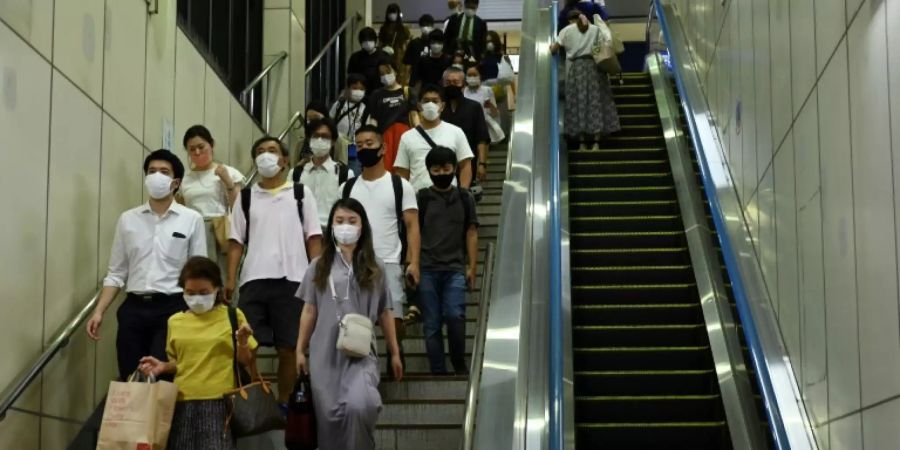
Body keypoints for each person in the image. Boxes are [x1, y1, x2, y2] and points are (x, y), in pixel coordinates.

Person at [86, 150, 207, 381]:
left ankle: (163, 419)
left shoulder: (192, 219)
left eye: (164, 172)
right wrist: (99, 311)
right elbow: (116, 273)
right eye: (151, 172)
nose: (156, 176)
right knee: (130, 378)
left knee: (162, 379)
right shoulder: (128, 219)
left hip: (172, 308)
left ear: (175, 182)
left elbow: (199, 272)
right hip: (133, 308)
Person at [295, 198, 403, 450]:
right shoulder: (317, 267)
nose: (346, 226)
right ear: (331, 226)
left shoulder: (376, 267)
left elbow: (386, 311)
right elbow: (309, 310)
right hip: (324, 353)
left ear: (362, 226)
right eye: (339, 221)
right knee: (329, 419)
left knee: (360, 403)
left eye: (352, 221)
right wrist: (300, 349)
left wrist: (395, 352)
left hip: (361, 352)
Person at [226, 136, 323, 407]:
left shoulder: (301, 193)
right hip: (253, 281)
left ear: (285, 160)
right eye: (259, 152)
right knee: (244, 346)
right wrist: (230, 279)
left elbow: (314, 238)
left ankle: (284, 405)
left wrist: (318, 278)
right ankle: (252, 402)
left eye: (271, 150)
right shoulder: (245, 197)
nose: (265, 155)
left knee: (289, 348)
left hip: (294, 280)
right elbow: (235, 241)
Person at [138, 257, 257, 449]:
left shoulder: (233, 315)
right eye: (190, 293)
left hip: (220, 401)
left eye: (204, 292)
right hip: (182, 401)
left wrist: (242, 342)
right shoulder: (175, 321)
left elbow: (245, 360)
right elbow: (182, 362)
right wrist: (163, 367)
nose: (197, 298)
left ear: (217, 289)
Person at [341, 125, 421, 329]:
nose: (364, 149)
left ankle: (396, 358)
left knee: (394, 325)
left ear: (383, 148)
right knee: (355, 329)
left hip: (390, 263)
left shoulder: (400, 185)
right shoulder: (347, 187)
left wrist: (414, 262)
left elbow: (412, 226)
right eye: (359, 145)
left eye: (369, 144)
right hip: (354, 265)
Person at [416, 147, 478, 374]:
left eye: (446, 168)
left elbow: (471, 232)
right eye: (436, 169)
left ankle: (458, 361)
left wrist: (472, 267)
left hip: (454, 268)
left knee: (455, 315)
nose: (441, 172)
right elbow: (414, 233)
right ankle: (438, 370)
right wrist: (412, 263)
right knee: (431, 324)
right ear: (429, 171)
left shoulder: (464, 197)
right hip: (427, 269)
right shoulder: (422, 198)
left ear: (453, 169)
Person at [551, 10, 621, 149]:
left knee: (578, 104)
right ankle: (596, 143)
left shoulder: (565, 31)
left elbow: (553, 49)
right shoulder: (595, 29)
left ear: (569, 19)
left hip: (576, 70)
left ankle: (581, 143)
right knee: (597, 103)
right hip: (595, 68)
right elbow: (604, 45)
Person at [178, 125, 244, 267]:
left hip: (219, 233)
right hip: (193, 230)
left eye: (201, 147)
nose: (197, 152)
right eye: (192, 149)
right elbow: (180, 212)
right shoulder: (184, 180)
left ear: (211, 144)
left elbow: (239, 208)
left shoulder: (229, 172)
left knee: (221, 277)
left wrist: (228, 182)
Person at [395, 84, 474, 191]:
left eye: (435, 101)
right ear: (419, 106)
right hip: (418, 199)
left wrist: (463, 193)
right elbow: (402, 172)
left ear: (442, 106)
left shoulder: (456, 132)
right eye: (426, 101)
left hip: (449, 198)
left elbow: (465, 165)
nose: (430, 104)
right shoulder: (407, 137)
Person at [294, 118, 354, 228]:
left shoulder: (345, 174)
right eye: (316, 136)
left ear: (333, 141)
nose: (320, 140)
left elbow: (349, 211)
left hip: (331, 237)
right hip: (302, 236)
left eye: (325, 136)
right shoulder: (296, 173)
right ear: (308, 139)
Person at [363, 61, 417, 172]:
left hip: (404, 134)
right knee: (385, 167)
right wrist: (371, 137)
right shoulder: (376, 94)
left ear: (395, 71)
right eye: (381, 74)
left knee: (404, 166)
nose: (385, 76)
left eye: (387, 72)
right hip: (385, 135)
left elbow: (414, 114)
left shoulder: (407, 91)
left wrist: (419, 133)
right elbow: (374, 119)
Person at [441, 67, 490, 183]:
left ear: (463, 84)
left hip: (468, 163)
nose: (452, 85)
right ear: (443, 84)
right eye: (448, 82)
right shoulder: (438, 108)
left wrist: (482, 164)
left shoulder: (474, 107)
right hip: (441, 165)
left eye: (456, 82)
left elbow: (482, 137)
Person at [330, 74, 368, 174]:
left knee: (353, 175)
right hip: (338, 147)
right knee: (337, 175)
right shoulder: (339, 104)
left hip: (355, 149)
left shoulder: (365, 109)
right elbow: (330, 120)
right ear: (347, 88)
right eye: (354, 88)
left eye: (361, 89)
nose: (358, 91)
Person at [464, 65, 505, 145]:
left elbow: (494, 113)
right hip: (467, 126)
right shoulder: (463, 91)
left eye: (474, 75)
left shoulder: (487, 90)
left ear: (480, 75)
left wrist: (489, 104)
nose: (472, 77)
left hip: (483, 126)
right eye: (469, 75)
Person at [348, 27, 392, 93]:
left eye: (370, 40)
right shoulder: (355, 57)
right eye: (364, 40)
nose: (367, 43)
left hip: (381, 92)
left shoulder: (384, 55)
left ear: (375, 40)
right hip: (361, 93)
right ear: (360, 42)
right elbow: (351, 76)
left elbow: (390, 75)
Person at [378, 3, 411, 85]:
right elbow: (380, 43)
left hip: (399, 57)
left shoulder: (403, 29)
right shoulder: (383, 28)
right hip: (386, 56)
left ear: (398, 14)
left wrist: (406, 59)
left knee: (399, 79)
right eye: (390, 12)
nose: (392, 15)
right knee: (387, 77)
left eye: (394, 12)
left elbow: (406, 45)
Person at [402, 14, 436, 82]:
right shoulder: (414, 43)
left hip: (433, 80)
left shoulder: (436, 43)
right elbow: (408, 65)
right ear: (420, 27)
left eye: (428, 25)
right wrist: (405, 82)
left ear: (432, 26)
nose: (426, 27)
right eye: (424, 25)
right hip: (416, 81)